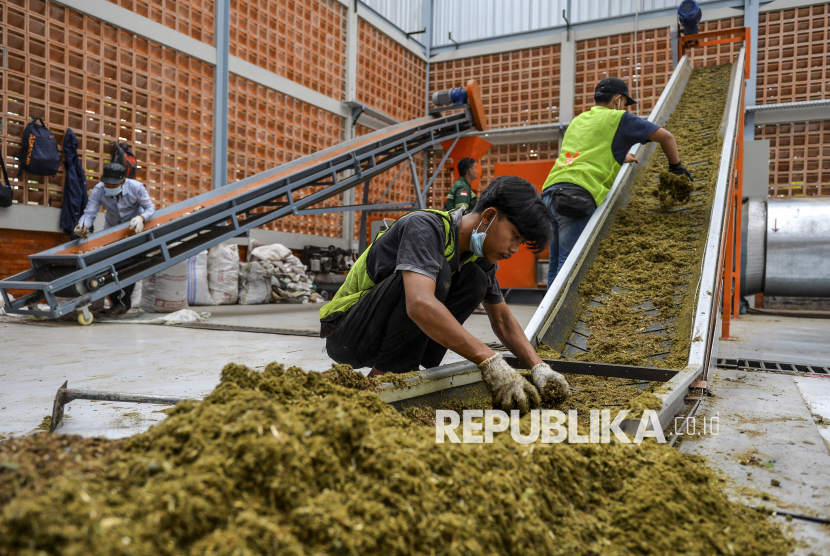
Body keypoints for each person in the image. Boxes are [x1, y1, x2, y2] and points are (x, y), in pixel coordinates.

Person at [320, 176, 569, 413]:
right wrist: (490, 360)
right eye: (514, 236)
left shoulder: (478, 256)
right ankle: (382, 379)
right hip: (347, 331)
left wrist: (539, 367)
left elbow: (502, 320)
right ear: (490, 216)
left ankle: (406, 370)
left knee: (475, 280)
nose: (514, 249)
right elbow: (419, 304)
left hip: (377, 331)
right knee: (434, 281)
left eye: (521, 241)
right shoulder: (425, 227)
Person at [542, 77, 692, 287]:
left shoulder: (578, 120)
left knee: (555, 263)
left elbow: (585, 153)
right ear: (618, 100)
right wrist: (676, 167)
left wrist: (620, 156)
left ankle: (545, 314)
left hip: (550, 192)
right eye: (625, 103)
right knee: (569, 265)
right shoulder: (620, 118)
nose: (625, 108)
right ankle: (556, 317)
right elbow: (667, 137)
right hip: (575, 196)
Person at [74, 162, 155, 314]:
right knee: (112, 267)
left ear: (123, 181)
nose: (109, 188)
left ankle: (122, 305)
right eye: (107, 185)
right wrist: (83, 225)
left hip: (133, 230)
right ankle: (115, 303)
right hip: (111, 231)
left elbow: (150, 208)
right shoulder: (99, 189)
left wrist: (141, 218)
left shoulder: (136, 188)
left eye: (113, 185)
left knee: (129, 266)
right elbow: (90, 212)